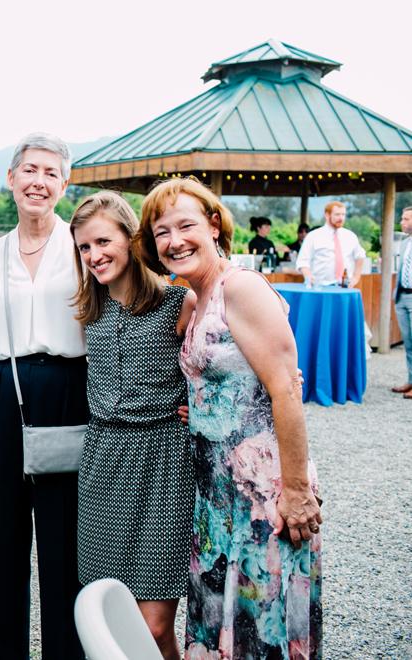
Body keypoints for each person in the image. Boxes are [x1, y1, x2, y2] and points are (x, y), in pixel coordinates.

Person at [137, 177, 322, 659]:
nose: (174, 241)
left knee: (259, 625)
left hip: (260, 492)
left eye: (186, 226)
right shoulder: (198, 296)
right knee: (220, 621)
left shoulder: (239, 286)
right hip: (214, 493)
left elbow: (286, 388)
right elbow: (230, 376)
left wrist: (296, 491)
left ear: (214, 226)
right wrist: (201, 407)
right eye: (162, 232)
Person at [0, 133, 90, 659]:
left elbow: (143, 304)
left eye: (51, 173)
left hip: (68, 391)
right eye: (30, 170)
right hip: (1, 390)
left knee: (65, 543)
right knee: (0, 538)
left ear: (64, 184)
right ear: (12, 178)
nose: (39, 181)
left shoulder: (83, 246)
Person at [69, 191, 195, 660]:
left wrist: (198, 406)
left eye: (103, 241)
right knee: (113, 616)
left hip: (163, 464)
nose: (94, 255)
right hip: (102, 463)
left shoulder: (178, 302)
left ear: (130, 237)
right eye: (84, 247)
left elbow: (221, 360)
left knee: (153, 626)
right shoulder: (91, 310)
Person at [297, 201, 366, 287]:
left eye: (343, 214)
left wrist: (356, 277)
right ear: (327, 215)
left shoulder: (350, 236)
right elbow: (302, 261)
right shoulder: (313, 236)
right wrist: (308, 275)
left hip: (344, 287)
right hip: (319, 287)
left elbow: (360, 256)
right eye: (337, 214)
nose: (341, 218)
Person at [391, 206, 412, 398]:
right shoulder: (405, 243)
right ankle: (411, 380)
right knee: (409, 343)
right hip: (402, 297)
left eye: (406, 219)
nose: (402, 222)